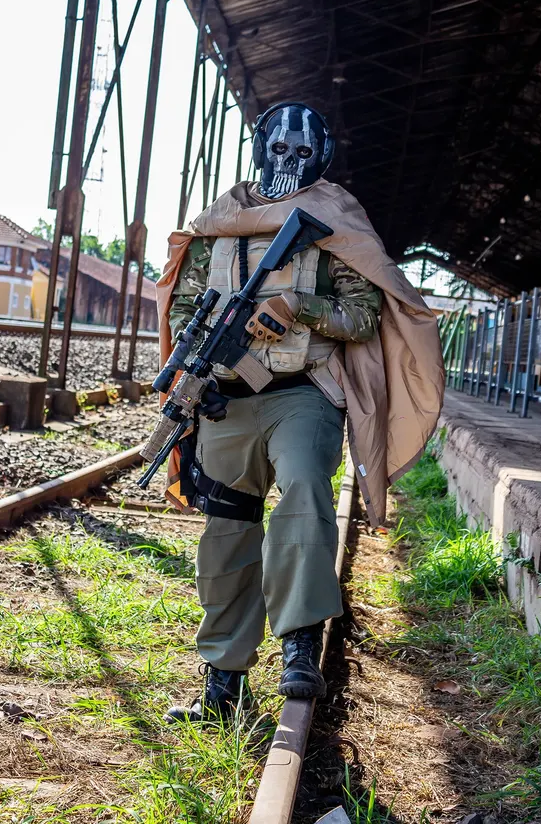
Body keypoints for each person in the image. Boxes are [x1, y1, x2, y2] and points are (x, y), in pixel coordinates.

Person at [155, 102, 444, 723]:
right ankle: (223, 681)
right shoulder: (221, 221)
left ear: (323, 156)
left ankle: (299, 646)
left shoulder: (333, 220)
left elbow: (363, 316)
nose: (288, 162)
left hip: (304, 390)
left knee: (306, 493)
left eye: (302, 152)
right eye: (278, 150)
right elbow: (182, 312)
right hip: (228, 397)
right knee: (228, 529)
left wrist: (298, 308)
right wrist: (198, 366)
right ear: (259, 148)